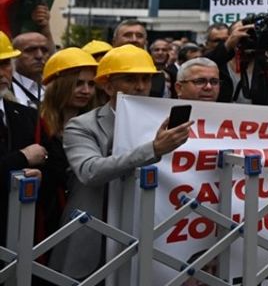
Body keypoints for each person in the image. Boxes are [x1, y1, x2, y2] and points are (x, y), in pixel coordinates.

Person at [53, 45, 190, 279]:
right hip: (94, 240)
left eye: (145, 79)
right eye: (129, 79)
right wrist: (154, 149)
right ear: (107, 86)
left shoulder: (164, 124)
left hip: (152, 238)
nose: (140, 87)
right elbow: (90, 171)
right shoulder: (82, 126)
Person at [36, 47, 98, 245]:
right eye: (78, 83)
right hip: (46, 218)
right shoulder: (36, 123)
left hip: (87, 218)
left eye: (91, 84)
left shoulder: (97, 125)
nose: (86, 91)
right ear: (59, 85)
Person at [0, 32, 45, 245]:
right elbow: (26, 156)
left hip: (19, 229)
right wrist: (22, 158)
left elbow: (46, 160)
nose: (2, 73)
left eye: (5, 64)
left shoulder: (25, 114)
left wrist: (39, 173)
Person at [208, 20, 268, 106]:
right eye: (241, 33)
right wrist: (227, 46)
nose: (248, 38)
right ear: (231, 38)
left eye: (252, 34)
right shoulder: (217, 65)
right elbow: (202, 64)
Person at [11, 31, 51, 107]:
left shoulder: (52, 87)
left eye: (44, 50)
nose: (39, 56)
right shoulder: (5, 88)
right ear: (14, 55)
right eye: (30, 50)